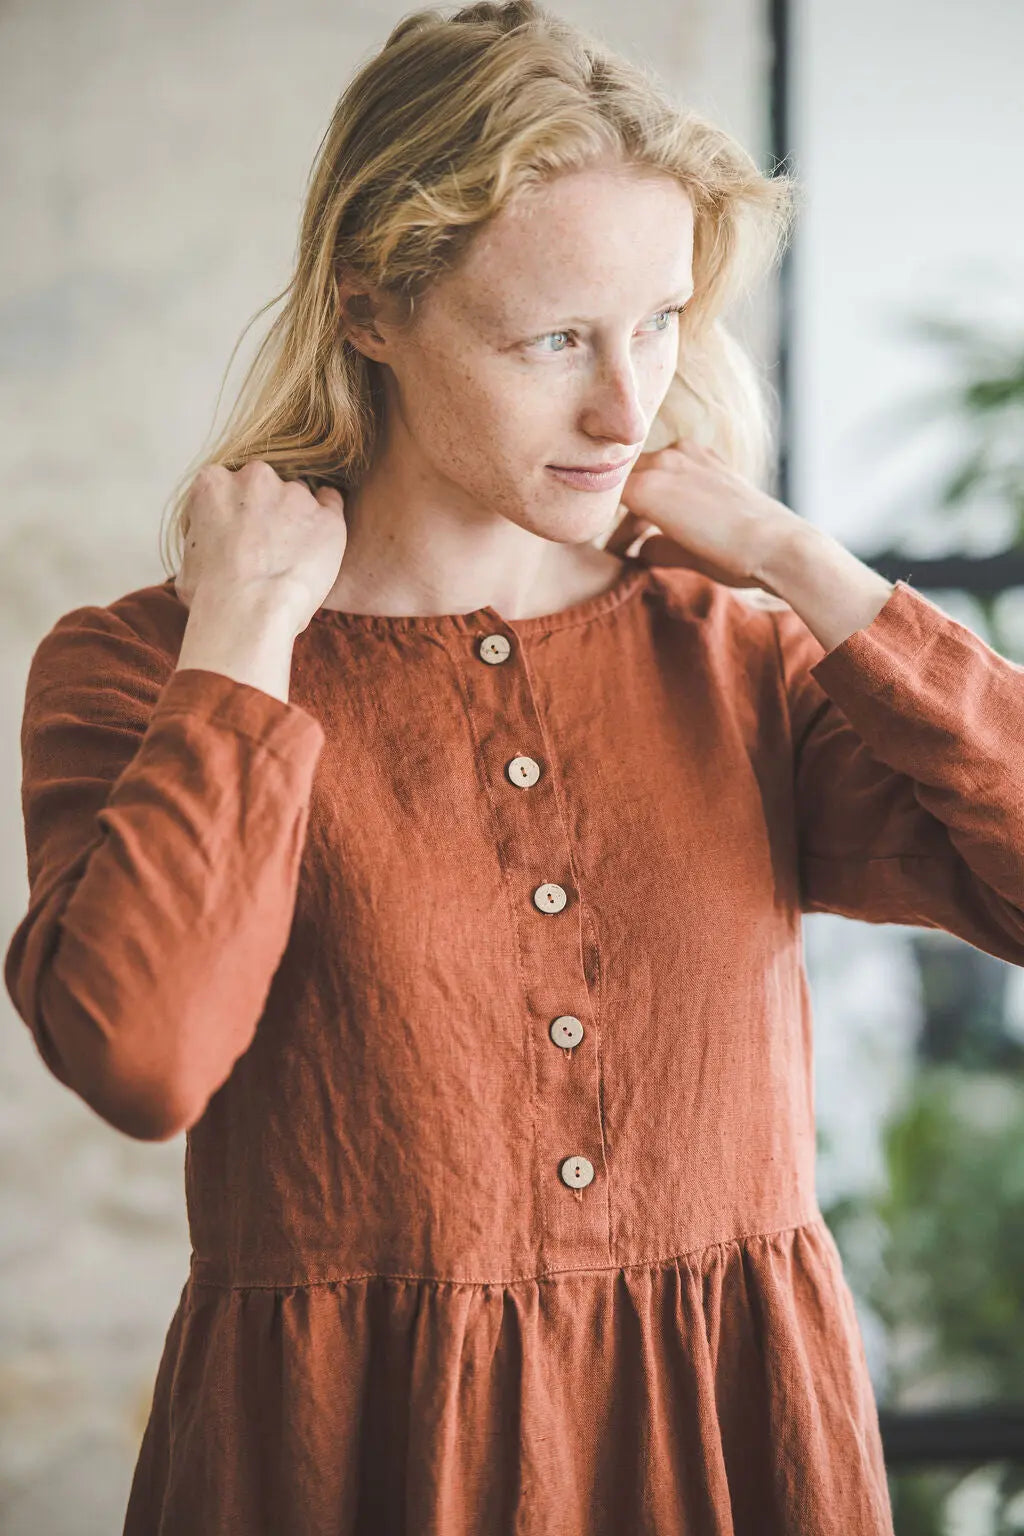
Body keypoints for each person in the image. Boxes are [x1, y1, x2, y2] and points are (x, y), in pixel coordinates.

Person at [6, 2, 1024, 1532]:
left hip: (731, 1450)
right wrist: (245, 638)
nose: (627, 405)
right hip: (347, 1459)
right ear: (370, 308)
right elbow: (140, 1057)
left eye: (659, 321)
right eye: (554, 339)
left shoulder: (737, 657)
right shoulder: (154, 668)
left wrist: (807, 567)